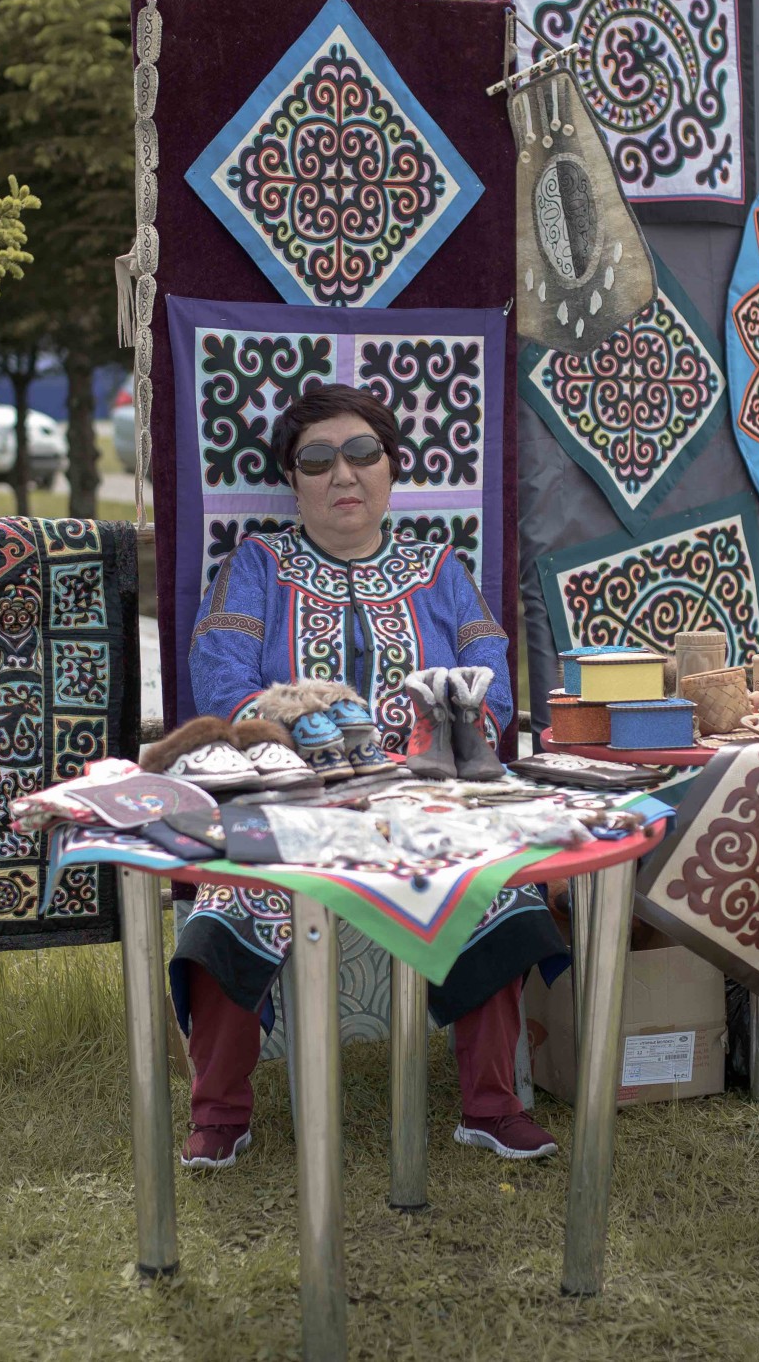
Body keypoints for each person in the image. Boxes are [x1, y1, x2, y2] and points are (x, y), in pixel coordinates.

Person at [175, 383, 567, 1168]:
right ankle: (219, 1111)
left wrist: (450, 730)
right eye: (316, 460)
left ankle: (490, 1106)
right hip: (291, 797)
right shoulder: (257, 564)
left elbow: (490, 669)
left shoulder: (437, 569)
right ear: (293, 480)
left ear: (393, 468)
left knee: (496, 882)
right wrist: (307, 735)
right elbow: (220, 681)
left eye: (362, 454)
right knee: (230, 901)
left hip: (425, 794)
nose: (342, 476)